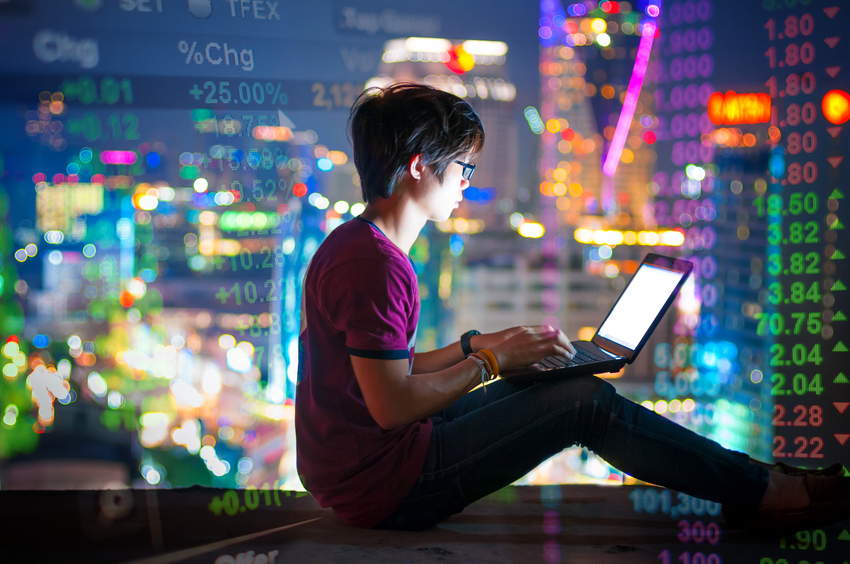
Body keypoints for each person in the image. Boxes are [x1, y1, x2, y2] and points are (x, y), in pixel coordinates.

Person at [294, 82, 849, 536]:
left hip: (368, 464)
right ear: (418, 166)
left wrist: (481, 347)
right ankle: (767, 492)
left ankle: (753, 480)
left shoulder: (356, 244)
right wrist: (489, 364)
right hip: (387, 484)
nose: (468, 182)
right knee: (585, 403)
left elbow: (391, 373)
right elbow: (392, 405)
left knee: (548, 385)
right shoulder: (377, 266)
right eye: (463, 167)